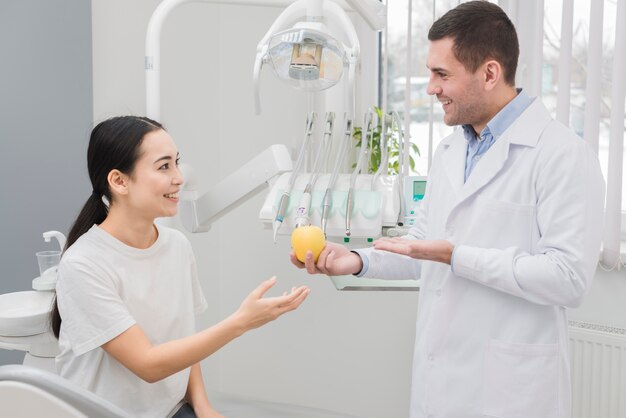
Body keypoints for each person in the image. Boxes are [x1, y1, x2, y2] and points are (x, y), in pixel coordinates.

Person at [291, 2, 605, 417]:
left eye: (442, 74)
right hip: (441, 381)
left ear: (490, 73)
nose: (430, 88)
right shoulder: (451, 149)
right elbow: (422, 247)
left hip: (512, 391)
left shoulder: (562, 154)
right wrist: (357, 260)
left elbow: (567, 279)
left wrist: (457, 257)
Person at [51, 115, 310, 418]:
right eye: (164, 166)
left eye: (176, 162)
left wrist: (202, 405)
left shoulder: (176, 246)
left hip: (171, 409)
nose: (179, 177)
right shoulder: (83, 264)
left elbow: (182, 337)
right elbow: (148, 364)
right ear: (119, 181)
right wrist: (241, 322)